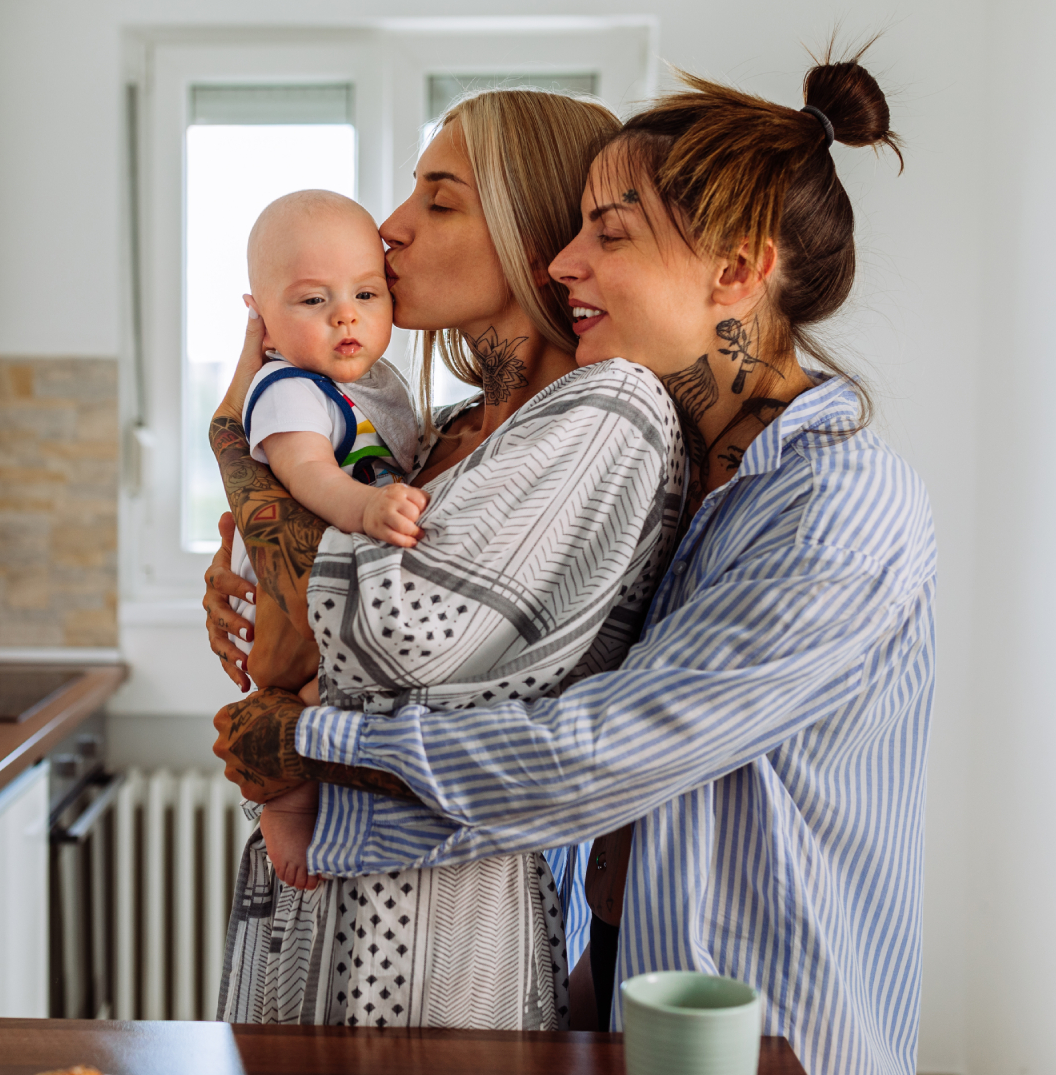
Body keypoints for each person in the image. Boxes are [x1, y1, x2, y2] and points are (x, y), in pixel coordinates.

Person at [207, 44, 936, 1075]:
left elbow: (599, 753)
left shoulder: (835, 504)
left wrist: (315, 739)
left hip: (786, 1034)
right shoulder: (690, 476)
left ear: (735, 270)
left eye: (608, 235)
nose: (562, 262)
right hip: (637, 1013)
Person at [206, 89, 688, 1030]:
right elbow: (310, 630)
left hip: (435, 935)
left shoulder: (602, 414)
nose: (389, 229)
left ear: (528, 225)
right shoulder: (437, 431)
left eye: (439, 199)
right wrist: (259, 576)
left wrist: (237, 448)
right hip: (307, 906)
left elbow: (391, 636)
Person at [226, 189, 427, 891]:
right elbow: (305, 470)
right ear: (266, 326)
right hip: (282, 604)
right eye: (313, 301)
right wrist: (369, 509)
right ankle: (282, 803)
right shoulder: (288, 387)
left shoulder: (376, 384)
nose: (346, 314)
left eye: (366, 293)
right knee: (289, 693)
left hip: (331, 588)